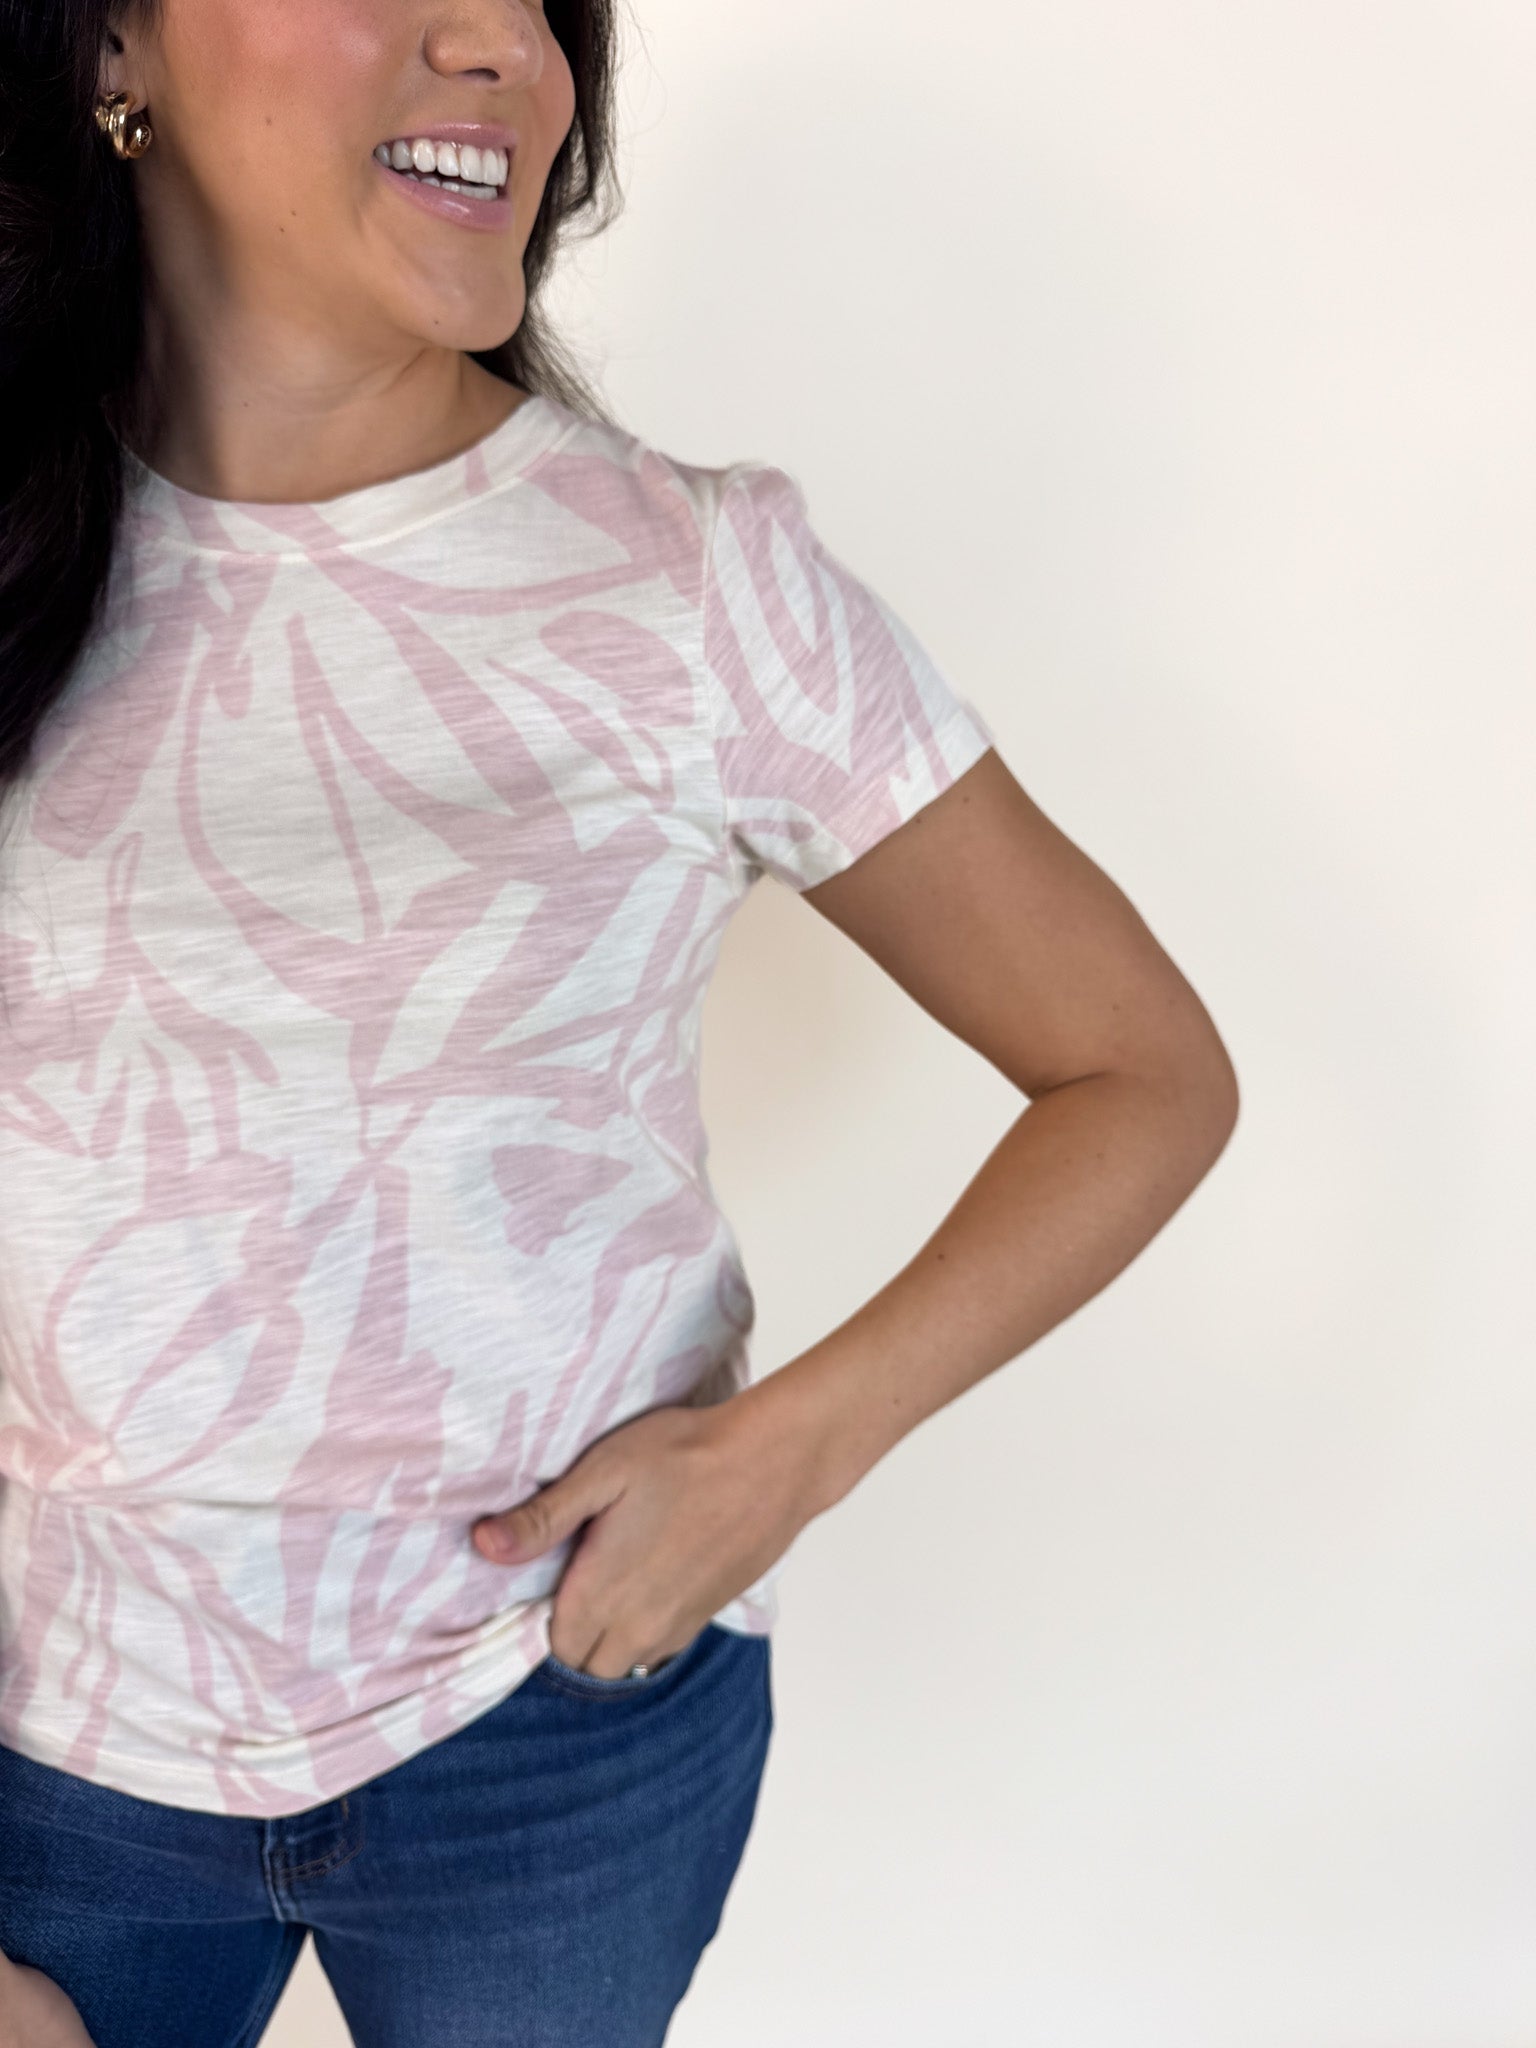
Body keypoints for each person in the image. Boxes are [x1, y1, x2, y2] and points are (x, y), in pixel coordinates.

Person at [0, 2, 1240, 2045]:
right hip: (59, 1738)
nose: (506, 41)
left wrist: (785, 1456)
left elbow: (1142, 1072)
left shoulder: (695, 585)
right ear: (114, 41)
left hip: (556, 1729)